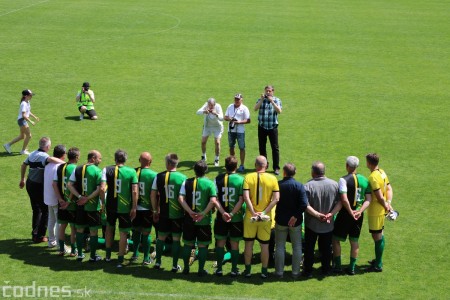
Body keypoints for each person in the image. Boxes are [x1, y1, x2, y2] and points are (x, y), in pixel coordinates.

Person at [178, 160, 224, 276]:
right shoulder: (209, 184)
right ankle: (200, 270)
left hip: (189, 219)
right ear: (206, 171)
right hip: (203, 220)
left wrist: (190, 212)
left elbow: (181, 199)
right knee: (203, 245)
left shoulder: (186, 182)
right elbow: (213, 200)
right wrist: (203, 213)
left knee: (188, 244)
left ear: (194, 170)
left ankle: (186, 268)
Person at [19, 137, 65, 243]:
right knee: (45, 210)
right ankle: (40, 236)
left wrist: (22, 179)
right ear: (48, 146)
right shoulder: (44, 156)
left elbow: (24, 164)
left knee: (36, 209)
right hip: (37, 186)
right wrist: (65, 164)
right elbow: (52, 160)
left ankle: (35, 234)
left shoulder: (32, 154)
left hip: (30, 183)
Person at [332, 156, 372, 275]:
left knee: (335, 239)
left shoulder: (343, 180)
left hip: (345, 214)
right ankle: (352, 268)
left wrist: (350, 211)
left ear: (347, 166)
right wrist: (359, 211)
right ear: (357, 166)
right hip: (358, 216)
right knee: (354, 241)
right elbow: (368, 199)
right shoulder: (365, 180)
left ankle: (338, 266)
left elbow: (344, 199)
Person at [242, 156, 279, 278]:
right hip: (266, 218)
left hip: (250, 217)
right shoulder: (273, 178)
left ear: (255, 165)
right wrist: (263, 213)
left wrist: (253, 212)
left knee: (248, 245)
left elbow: (246, 197)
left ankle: (247, 271)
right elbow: (276, 199)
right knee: (264, 246)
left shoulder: (248, 177)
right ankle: (264, 272)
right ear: (266, 165)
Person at [101, 150, 138, 267]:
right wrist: (134, 207)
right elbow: (135, 191)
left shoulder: (106, 169)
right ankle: (120, 259)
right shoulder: (131, 171)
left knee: (109, 229)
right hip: (125, 208)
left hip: (110, 206)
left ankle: (107, 256)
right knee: (123, 234)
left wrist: (103, 203)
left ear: (115, 159)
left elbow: (102, 189)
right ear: (125, 159)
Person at [302, 161, 339, 278]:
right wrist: (330, 214)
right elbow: (340, 202)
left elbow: (305, 205)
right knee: (326, 248)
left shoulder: (308, 186)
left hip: (311, 224)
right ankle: (326, 270)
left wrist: (317, 215)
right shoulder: (334, 184)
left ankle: (308, 270)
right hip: (328, 224)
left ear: (313, 172)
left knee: (309, 248)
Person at [151, 153, 187, 272]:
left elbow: (153, 195)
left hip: (163, 213)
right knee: (176, 239)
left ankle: (158, 263)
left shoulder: (159, 176)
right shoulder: (183, 178)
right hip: (178, 214)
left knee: (161, 238)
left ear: (167, 163)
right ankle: (174, 265)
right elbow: (184, 198)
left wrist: (155, 210)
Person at [274, 163, 309, 279]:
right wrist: (295, 216)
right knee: (297, 247)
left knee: (279, 246)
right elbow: (304, 204)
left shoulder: (278, 185)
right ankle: (295, 273)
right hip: (295, 222)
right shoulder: (299, 186)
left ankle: (279, 273)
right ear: (295, 172)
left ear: (284, 172)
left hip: (280, 221)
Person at [67, 150, 103, 262]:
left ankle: (80, 254)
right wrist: (87, 198)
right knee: (93, 231)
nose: (100, 161)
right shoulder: (97, 170)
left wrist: (79, 197)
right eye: (99, 158)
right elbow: (100, 189)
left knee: (80, 229)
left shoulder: (77, 169)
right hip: (92, 207)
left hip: (80, 205)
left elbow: (69, 185)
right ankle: (93, 256)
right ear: (92, 158)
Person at [214, 156, 244, 276]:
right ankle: (234, 269)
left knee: (220, 242)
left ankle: (219, 269)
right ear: (236, 167)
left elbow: (214, 199)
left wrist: (223, 213)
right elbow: (241, 200)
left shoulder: (217, 179)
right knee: (234, 244)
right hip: (235, 218)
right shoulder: (241, 180)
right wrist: (231, 214)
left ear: (225, 166)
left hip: (221, 217)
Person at [365, 153, 393, 272]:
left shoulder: (373, 177)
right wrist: (389, 203)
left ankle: (378, 264)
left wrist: (386, 206)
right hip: (382, 208)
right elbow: (389, 189)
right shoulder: (382, 172)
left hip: (376, 211)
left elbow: (379, 196)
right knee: (380, 234)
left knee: (377, 236)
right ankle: (378, 260)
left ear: (369, 163)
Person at [53, 147, 80, 256]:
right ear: (77, 157)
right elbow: (73, 186)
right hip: (72, 204)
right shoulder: (76, 169)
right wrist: (68, 201)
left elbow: (54, 184)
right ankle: (73, 251)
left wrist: (60, 199)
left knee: (62, 226)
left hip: (61, 202)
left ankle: (61, 249)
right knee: (73, 228)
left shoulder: (59, 167)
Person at [131, 152, 157, 265]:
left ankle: (135, 254)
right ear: (150, 162)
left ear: (139, 160)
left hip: (134, 207)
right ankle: (146, 257)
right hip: (148, 209)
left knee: (136, 231)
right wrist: (156, 209)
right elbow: (155, 194)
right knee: (146, 233)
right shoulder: (154, 175)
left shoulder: (133, 172)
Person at [254, 85, 282, 175]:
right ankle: (264, 166)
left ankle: (276, 167)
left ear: (273, 91)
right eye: (267, 91)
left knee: (275, 148)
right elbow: (255, 108)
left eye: (269, 91)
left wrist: (272, 102)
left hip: (272, 127)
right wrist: (262, 100)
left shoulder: (277, 100)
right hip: (262, 127)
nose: (268, 93)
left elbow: (279, 111)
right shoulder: (260, 100)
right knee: (262, 147)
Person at [44, 145, 66, 248]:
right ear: (63, 155)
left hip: (48, 196)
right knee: (59, 221)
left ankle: (51, 242)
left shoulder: (48, 165)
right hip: (56, 197)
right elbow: (57, 184)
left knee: (51, 219)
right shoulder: (59, 167)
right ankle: (58, 244)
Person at [4, 89, 39, 155]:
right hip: (22, 120)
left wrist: (35, 117)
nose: (31, 96)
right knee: (29, 135)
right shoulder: (23, 104)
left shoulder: (27, 102)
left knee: (22, 136)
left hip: (23, 120)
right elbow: (23, 115)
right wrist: (31, 121)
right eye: (30, 95)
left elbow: (28, 112)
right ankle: (23, 150)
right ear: (26, 96)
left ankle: (7, 145)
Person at [224, 93, 250, 173]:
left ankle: (242, 165)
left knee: (242, 147)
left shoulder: (244, 108)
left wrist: (239, 122)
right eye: (235, 99)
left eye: (238, 99)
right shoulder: (230, 106)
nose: (236, 100)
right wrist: (231, 119)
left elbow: (248, 120)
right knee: (231, 147)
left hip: (240, 131)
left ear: (241, 100)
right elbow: (225, 117)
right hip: (231, 130)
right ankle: (233, 164)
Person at [196, 98, 223, 166]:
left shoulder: (218, 106)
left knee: (217, 142)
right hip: (207, 127)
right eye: (209, 105)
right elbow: (197, 112)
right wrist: (204, 111)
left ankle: (216, 159)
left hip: (217, 127)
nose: (210, 107)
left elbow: (222, 118)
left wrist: (216, 114)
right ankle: (203, 156)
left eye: (212, 105)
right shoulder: (206, 105)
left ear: (214, 104)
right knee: (203, 142)